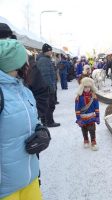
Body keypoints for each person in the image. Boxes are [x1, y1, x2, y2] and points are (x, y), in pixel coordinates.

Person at [0, 39, 42, 199]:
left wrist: (40, 131)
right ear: (15, 64)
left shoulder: (24, 91)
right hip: (6, 187)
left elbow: (32, 122)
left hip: (30, 177)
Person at [36, 43, 60, 127]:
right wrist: (51, 87)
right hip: (47, 87)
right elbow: (46, 76)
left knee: (47, 105)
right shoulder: (44, 60)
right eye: (49, 50)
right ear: (45, 51)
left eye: (51, 50)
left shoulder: (45, 59)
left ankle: (45, 121)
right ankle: (49, 122)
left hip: (46, 86)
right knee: (50, 105)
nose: (51, 52)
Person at [75, 77, 100, 151]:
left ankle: (93, 141)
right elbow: (77, 109)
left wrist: (97, 116)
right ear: (82, 87)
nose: (87, 89)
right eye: (85, 87)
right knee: (84, 130)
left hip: (91, 116)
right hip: (82, 117)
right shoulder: (78, 98)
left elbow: (97, 106)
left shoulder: (94, 96)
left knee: (92, 130)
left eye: (89, 87)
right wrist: (78, 119)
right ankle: (85, 139)